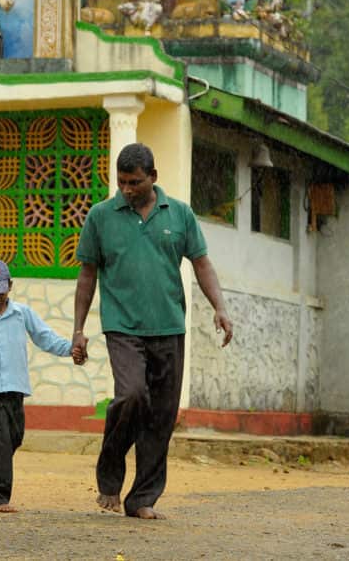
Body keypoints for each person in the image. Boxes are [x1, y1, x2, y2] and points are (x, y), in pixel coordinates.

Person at [72, 143, 234, 520]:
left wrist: (220, 308)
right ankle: (110, 474)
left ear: (153, 178)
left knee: (162, 414)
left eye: (135, 182)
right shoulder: (101, 216)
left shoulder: (179, 214)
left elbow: (201, 264)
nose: (127, 189)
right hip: (122, 327)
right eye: (122, 182)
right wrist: (79, 330)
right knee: (131, 396)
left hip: (168, 326)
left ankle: (142, 499)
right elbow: (87, 274)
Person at [0, 258, 87, 513]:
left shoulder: (22, 314)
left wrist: (71, 349)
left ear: (10, 286)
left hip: (16, 386)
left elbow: (45, 338)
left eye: (0, 293)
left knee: (14, 438)